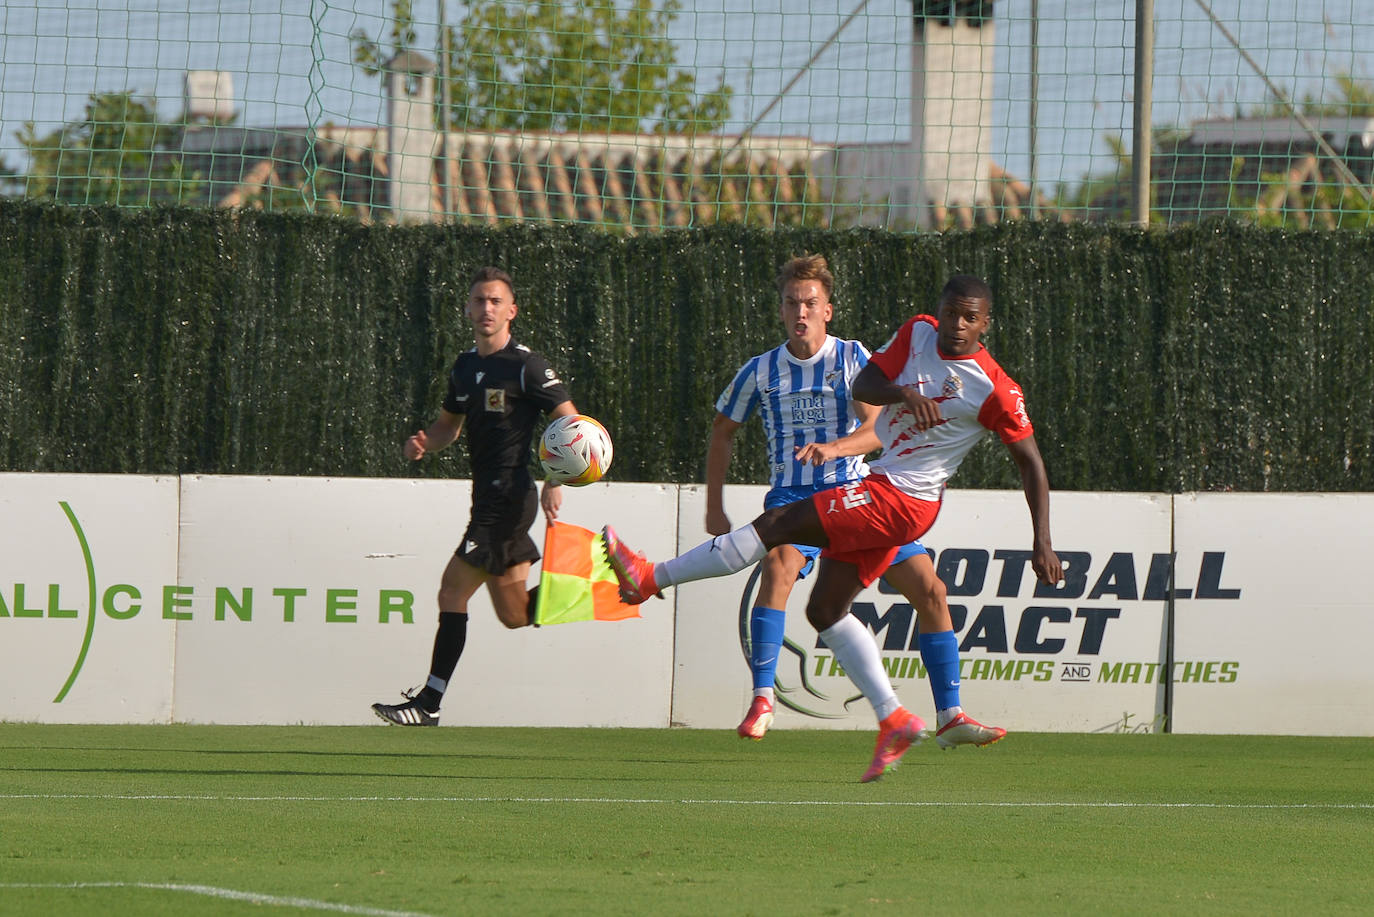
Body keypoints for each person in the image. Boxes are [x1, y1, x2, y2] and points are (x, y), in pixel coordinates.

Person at [605, 274, 1063, 781]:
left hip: (902, 499)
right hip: (884, 486)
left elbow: (1031, 463)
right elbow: (866, 386)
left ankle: (650, 578)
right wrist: (906, 394)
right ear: (940, 309)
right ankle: (895, 718)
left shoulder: (995, 387)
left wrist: (1041, 541)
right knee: (824, 609)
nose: (957, 325)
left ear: (985, 324)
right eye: (951, 312)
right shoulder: (917, 333)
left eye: (969, 317)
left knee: (778, 526)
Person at [709, 255, 1004, 750]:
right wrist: (713, 506)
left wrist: (835, 449)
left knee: (931, 591)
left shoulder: (851, 359)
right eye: (791, 303)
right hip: (794, 494)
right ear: (781, 310)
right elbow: (722, 431)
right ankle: (763, 699)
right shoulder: (759, 370)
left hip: (856, 493)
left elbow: (876, 431)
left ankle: (950, 714)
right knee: (779, 566)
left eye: (810, 303)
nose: (800, 312)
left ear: (827, 310)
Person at [372, 266, 578, 726]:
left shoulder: (528, 366)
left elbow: (571, 422)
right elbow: (450, 426)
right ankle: (603, 583)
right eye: (479, 301)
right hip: (486, 498)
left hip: (509, 498)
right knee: (515, 614)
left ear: (512, 311)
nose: (486, 308)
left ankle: (429, 703)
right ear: (467, 309)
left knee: (451, 590)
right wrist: (427, 441)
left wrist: (556, 478)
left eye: (495, 301)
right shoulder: (465, 367)